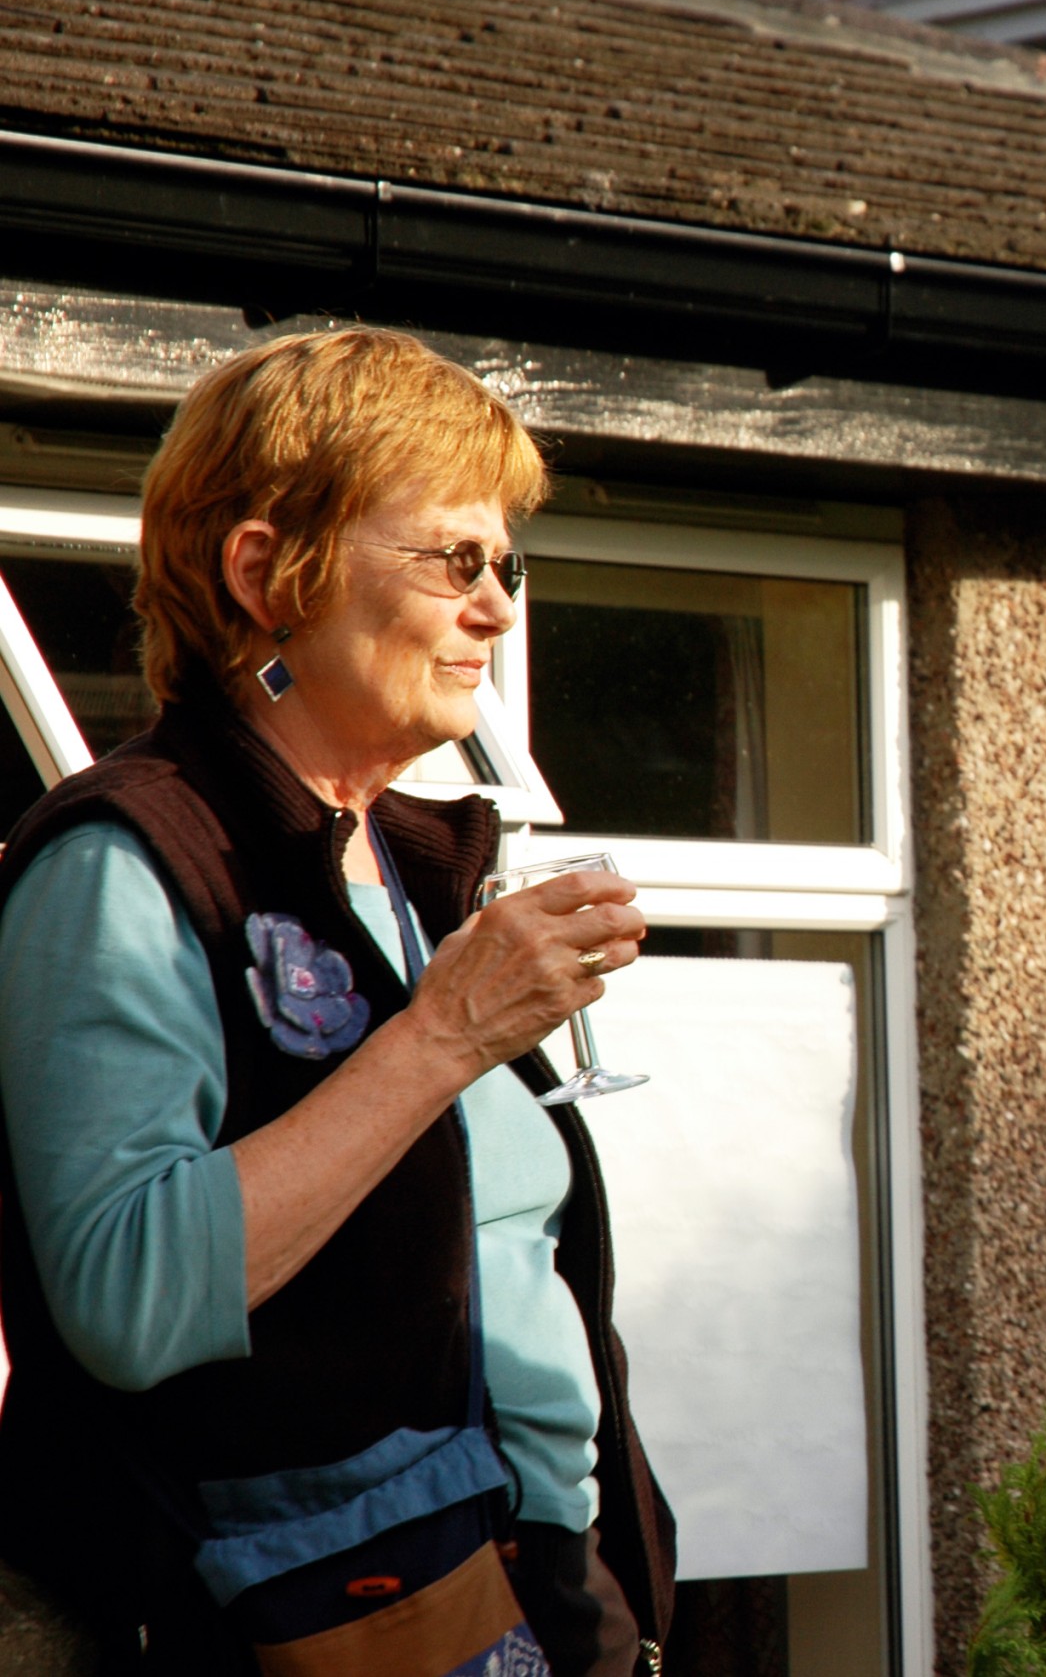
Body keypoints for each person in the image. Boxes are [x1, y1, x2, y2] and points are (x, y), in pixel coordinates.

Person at [0, 328, 674, 1674]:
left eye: (507, 564)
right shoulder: (123, 862)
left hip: (536, 1589)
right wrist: (445, 1035)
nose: (496, 607)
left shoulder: (413, 872)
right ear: (264, 573)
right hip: (315, 1614)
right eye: (454, 560)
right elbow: (130, 1290)